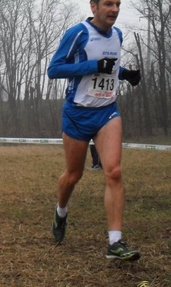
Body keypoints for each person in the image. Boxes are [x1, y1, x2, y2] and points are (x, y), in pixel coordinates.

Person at [47, 0, 141, 261]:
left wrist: (124, 74)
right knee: (73, 176)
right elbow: (54, 70)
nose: (114, 9)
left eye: (118, 4)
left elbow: (108, 67)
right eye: (108, 4)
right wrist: (93, 66)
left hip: (107, 111)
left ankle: (115, 243)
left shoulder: (118, 35)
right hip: (77, 113)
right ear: (94, 6)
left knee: (114, 171)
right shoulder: (78, 33)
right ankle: (61, 212)